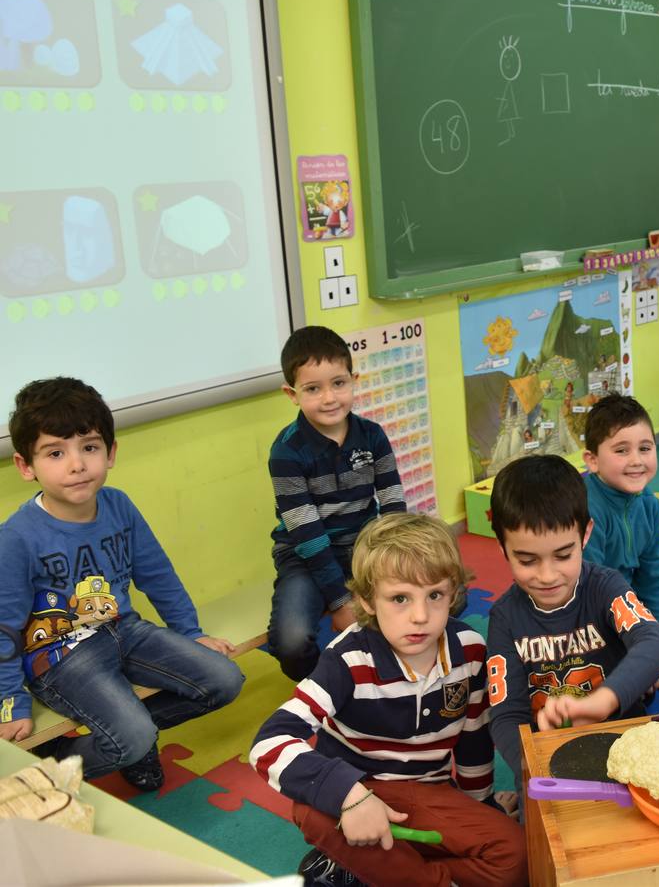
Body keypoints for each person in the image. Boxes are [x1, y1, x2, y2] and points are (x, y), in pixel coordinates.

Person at [250, 513, 526, 887]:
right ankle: (394, 867)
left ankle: (372, 867)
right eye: (399, 598)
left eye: (435, 595)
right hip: (363, 789)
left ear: (454, 592)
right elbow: (268, 744)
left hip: (428, 796)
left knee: (516, 855)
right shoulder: (346, 660)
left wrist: (480, 804)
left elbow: (475, 736)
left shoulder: (471, 650)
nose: (420, 616)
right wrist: (351, 797)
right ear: (366, 599)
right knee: (310, 809)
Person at [0, 378, 242, 790]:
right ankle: (59, 764)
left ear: (110, 453)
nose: (77, 465)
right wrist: (10, 705)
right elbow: (3, 627)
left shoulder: (120, 506)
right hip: (62, 656)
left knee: (225, 680)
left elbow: (158, 575)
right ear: (26, 466)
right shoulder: (16, 537)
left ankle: (133, 741)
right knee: (131, 737)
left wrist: (190, 633)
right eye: (56, 453)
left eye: (89, 448)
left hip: (125, 630)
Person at [485, 455, 659, 787]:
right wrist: (532, 771)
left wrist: (603, 702)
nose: (547, 575)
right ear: (502, 547)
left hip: (625, 748)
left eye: (563, 555)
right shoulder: (504, 618)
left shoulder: (605, 587)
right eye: (527, 560)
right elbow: (506, 716)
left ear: (585, 534)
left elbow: (654, 642)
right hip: (547, 765)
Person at [267, 326, 406, 681]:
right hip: (306, 558)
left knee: (443, 594)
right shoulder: (286, 452)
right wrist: (340, 601)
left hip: (365, 548)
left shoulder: (372, 436)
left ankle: (395, 673)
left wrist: (397, 558)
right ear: (292, 393)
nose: (329, 398)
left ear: (354, 380)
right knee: (291, 641)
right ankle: (325, 687)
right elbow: (308, 536)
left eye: (338, 383)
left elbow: (392, 505)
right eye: (313, 388)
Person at [581, 395, 659, 630]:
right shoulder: (587, 510)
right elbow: (587, 589)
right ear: (593, 461)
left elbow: (655, 578)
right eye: (622, 450)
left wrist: (657, 637)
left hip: (626, 601)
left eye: (645, 448)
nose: (636, 460)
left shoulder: (651, 507)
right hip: (587, 612)